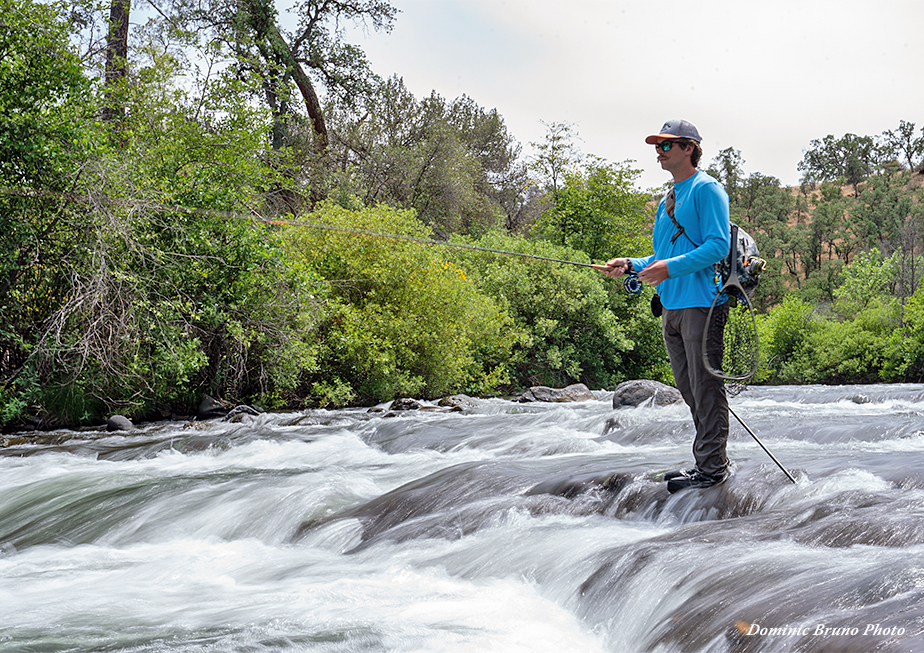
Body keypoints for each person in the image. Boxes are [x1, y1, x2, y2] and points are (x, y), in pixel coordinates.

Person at [596, 120, 731, 492]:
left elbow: (717, 246)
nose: (659, 151)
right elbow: (661, 255)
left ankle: (713, 469)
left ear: (689, 148)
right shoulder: (668, 199)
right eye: (657, 146)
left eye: (667, 145)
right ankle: (707, 464)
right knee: (688, 388)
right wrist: (630, 265)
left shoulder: (708, 190)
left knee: (706, 388)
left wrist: (668, 268)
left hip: (702, 304)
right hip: (671, 306)